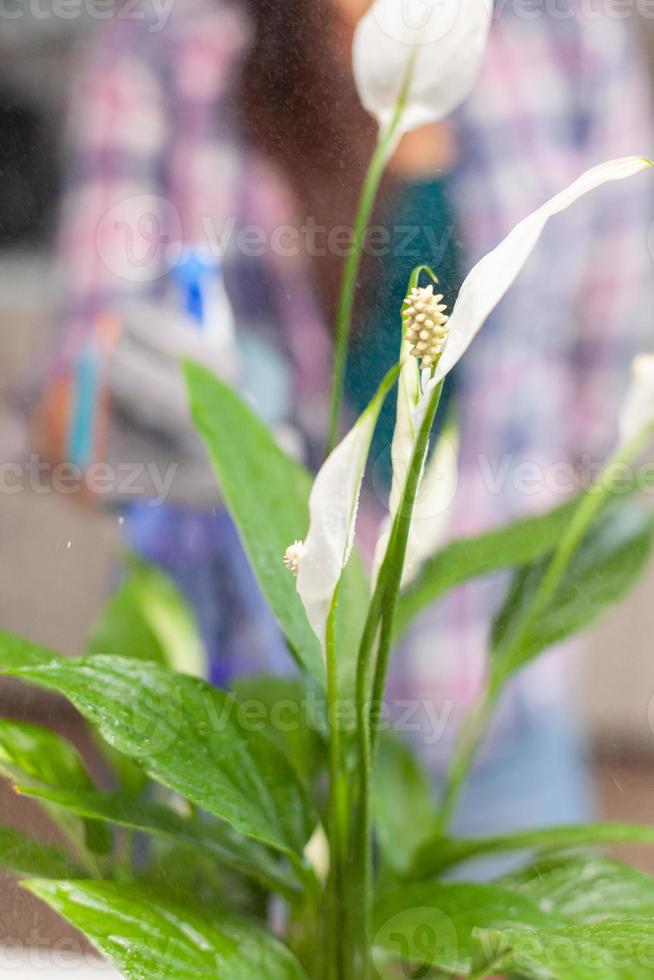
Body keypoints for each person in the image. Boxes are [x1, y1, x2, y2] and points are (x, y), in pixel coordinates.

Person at [46, 0, 653, 839]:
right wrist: (132, 412)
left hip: (490, 726)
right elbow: (74, 418)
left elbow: (611, 395)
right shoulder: (165, 45)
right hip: (239, 730)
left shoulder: (571, 41)